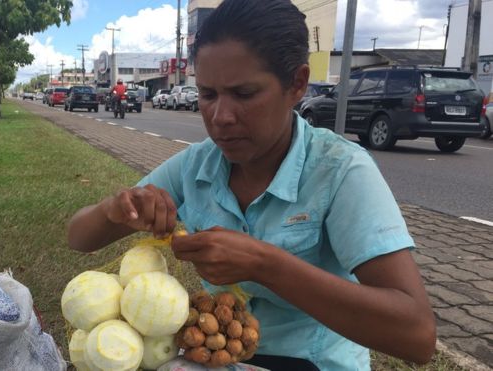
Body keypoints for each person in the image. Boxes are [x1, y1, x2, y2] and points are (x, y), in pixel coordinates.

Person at [67, 0, 436, 369]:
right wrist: (114, 209)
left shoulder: (339, 171)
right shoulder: (198, 165)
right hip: (220, 353)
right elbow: (79, 238)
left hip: (312, 362)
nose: (220, 117)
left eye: (244, 94)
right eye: (208, 95)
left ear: (297, 84)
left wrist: (266, 265)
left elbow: (417, 337)